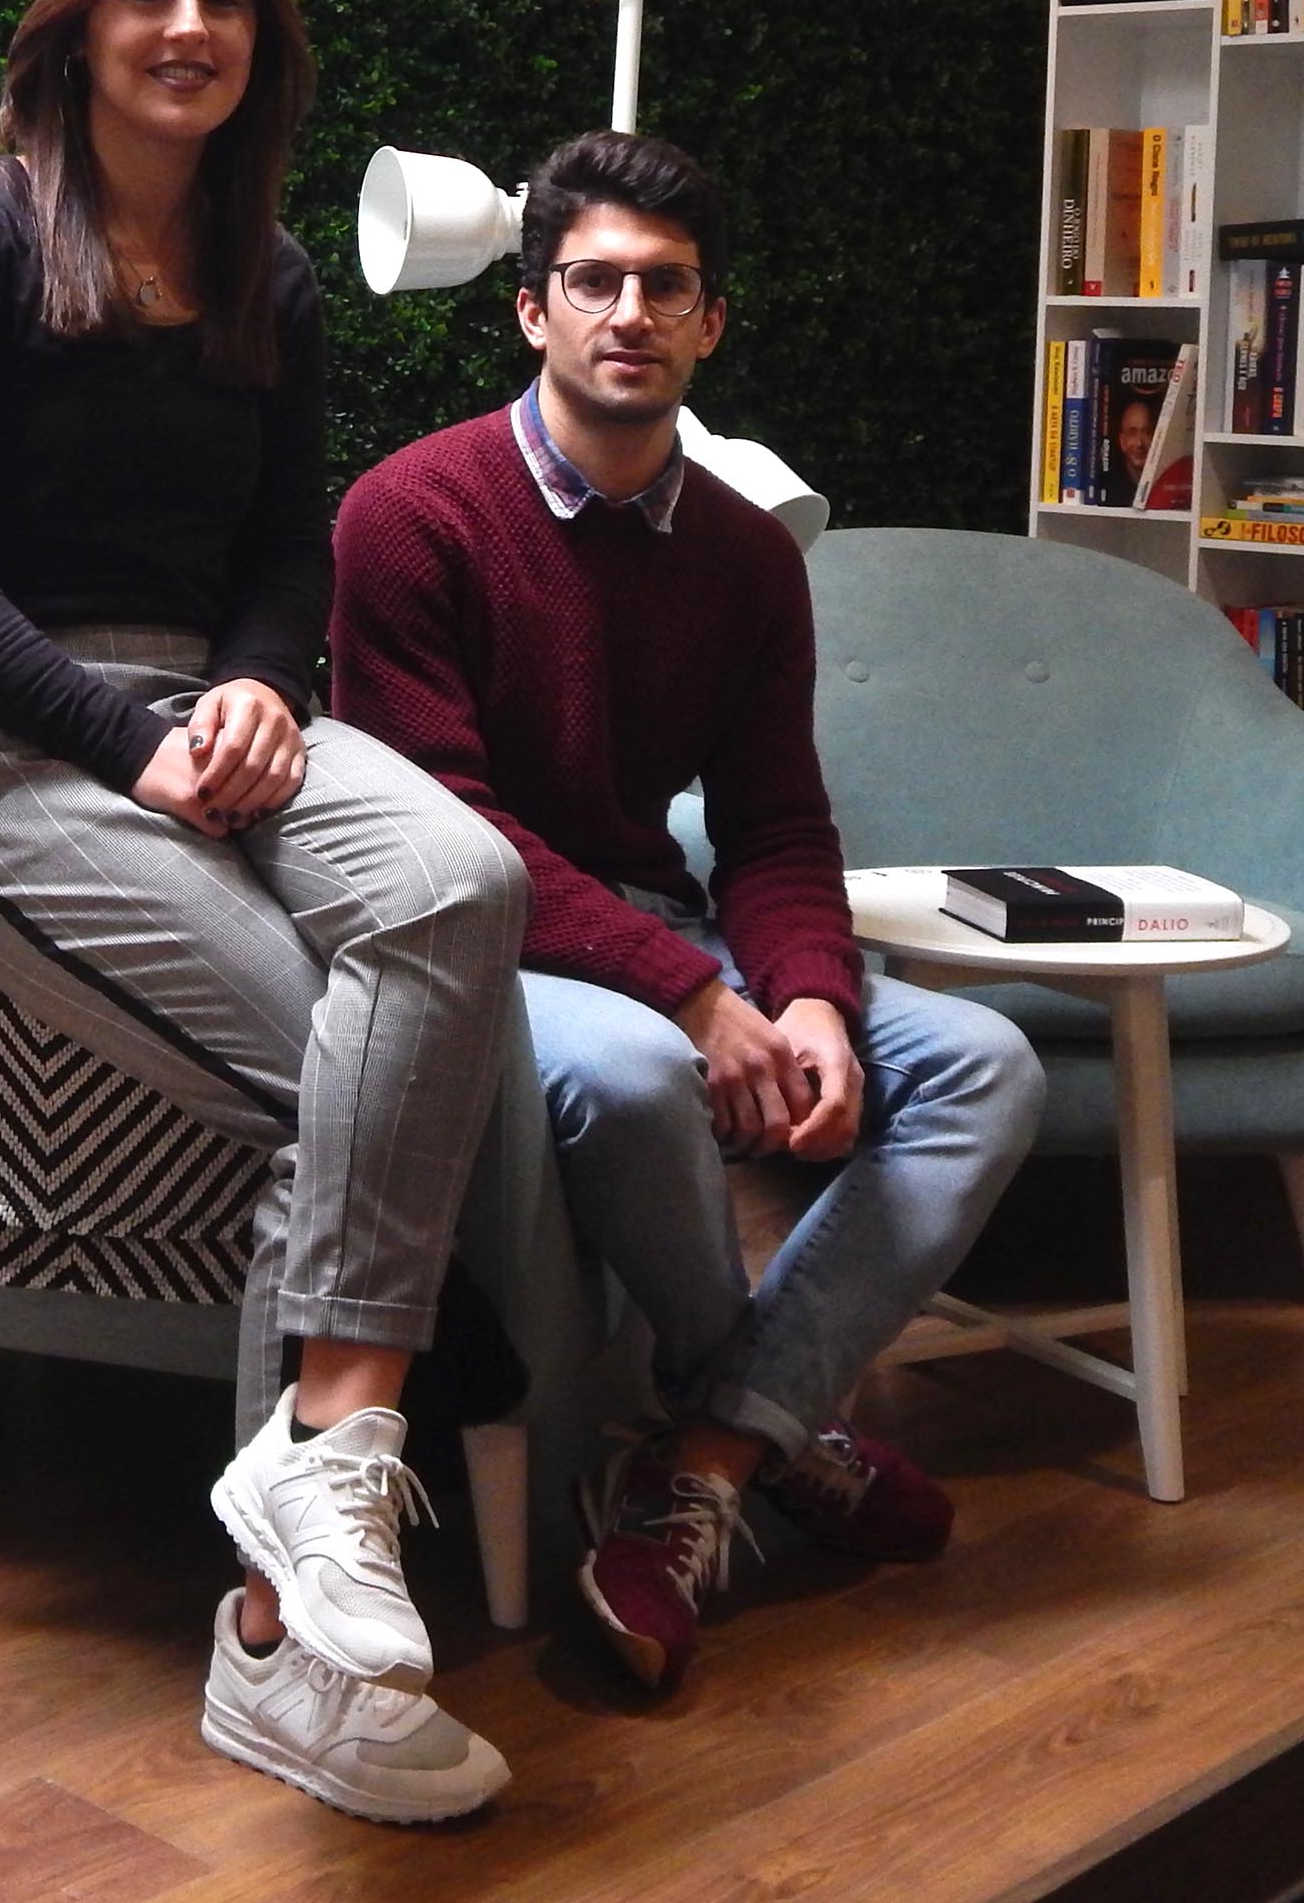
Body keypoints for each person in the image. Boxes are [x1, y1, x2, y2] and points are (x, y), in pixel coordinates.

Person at [0, 0, 525, 1822]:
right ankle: (283, 1651)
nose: (185, 28)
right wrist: (123, 736)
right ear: (77, 23)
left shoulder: (272, 277)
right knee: (331, 1064)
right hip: (2, 733)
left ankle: (317, 1473)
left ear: (261, 41)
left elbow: (282, 556)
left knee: (458, 882)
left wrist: (257, 686)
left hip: (213, 719)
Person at [328, 130, 1045, 1692]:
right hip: (484, 937)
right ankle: (777, 1428)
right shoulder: (411, 513)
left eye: (666, 286)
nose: (629, 313)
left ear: (712, 320)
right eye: (593, 281)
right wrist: (694, 994)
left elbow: (777, 820)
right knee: (643, 1069)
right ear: (532, 307)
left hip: (659, 928)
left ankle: (704, 1455)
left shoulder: (744, 554)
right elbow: (447, 829)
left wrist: (809, 995)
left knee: (986, 1065)